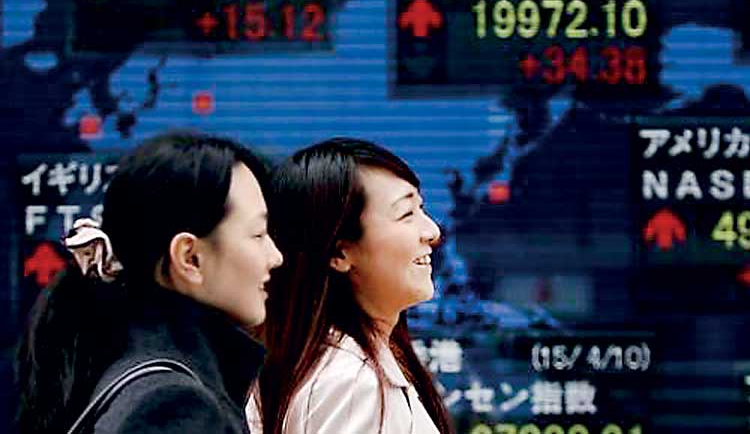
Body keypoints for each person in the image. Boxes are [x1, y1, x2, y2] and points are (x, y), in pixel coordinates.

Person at [17, 131, 284, 433]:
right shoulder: (175, 406)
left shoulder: (117, 365)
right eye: (258, 235)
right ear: (189, 258)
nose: (276, 257)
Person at [250, 137, 453, 434]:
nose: (432, 231)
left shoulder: (342, 365)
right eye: (406, 214)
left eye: (421, 208)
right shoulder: (351, 383)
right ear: (340, 253)